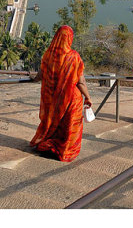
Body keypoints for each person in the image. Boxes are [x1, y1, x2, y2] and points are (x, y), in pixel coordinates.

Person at [30, 25, 92, 162]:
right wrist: (88, 97)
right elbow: (80, 82)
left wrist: (32, 78)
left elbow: (40, 75)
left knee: (54, 125)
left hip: (53, 100)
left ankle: (50, 146)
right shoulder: (73, 57)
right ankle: (65, 151)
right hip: (70, 99)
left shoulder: (49, 55)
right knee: (69, 126)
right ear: (70, 39)